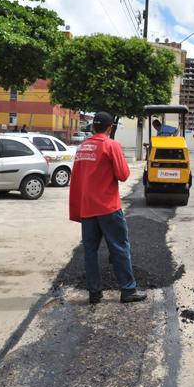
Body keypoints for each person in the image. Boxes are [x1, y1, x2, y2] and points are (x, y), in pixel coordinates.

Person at [68, 111, 147, 305]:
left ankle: (94, 294)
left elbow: (76, 179)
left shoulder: (82, 148)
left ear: (93, 127)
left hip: (87, 209)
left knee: (90, 251)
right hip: (108, 208)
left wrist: (77, 208)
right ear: (110, 128)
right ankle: (128, 290)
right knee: (119, 248)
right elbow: (123, 175)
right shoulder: (111, 145)